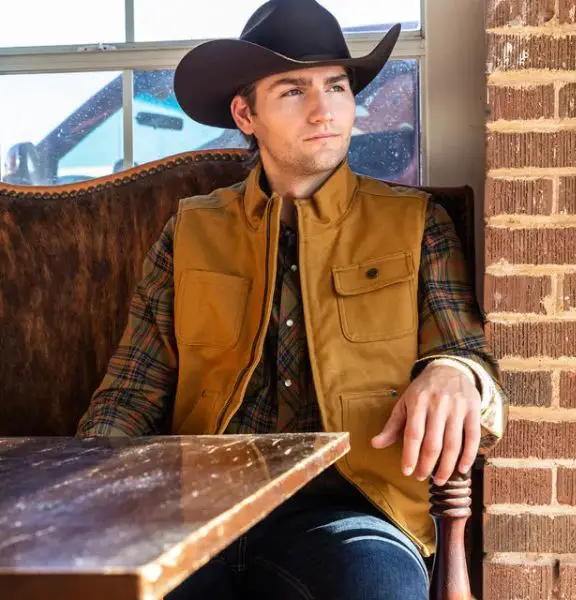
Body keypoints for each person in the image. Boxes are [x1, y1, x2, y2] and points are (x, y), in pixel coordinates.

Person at [77, 1, 507, 598]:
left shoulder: (416, 223)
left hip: (357, 512)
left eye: (336, 85)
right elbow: (129, 392)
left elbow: (472, 363)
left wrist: (457, 374)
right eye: (292, 90)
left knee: (374, 585)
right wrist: (87, 493)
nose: (324, 108)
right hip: (201, 511)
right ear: (245, 114)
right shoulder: (190, 232)